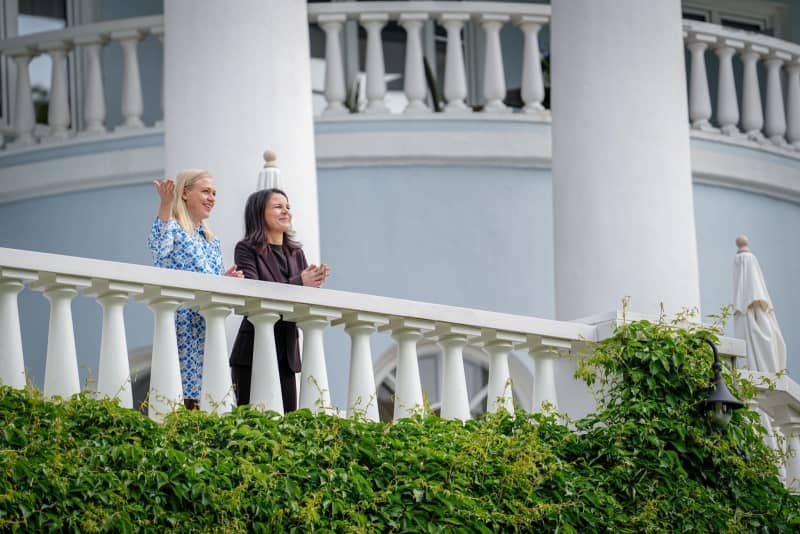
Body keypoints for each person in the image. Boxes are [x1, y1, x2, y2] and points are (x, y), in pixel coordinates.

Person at [147, 169, 243, 410]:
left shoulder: (211, 240)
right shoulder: (174, 228)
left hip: (207, 329)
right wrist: (166, 204)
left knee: (213, 399)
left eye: (214, 193)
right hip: (182, 327)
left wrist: (225, 279)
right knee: (181, 400)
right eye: (205, 191)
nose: (211, 197)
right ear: (186, 193)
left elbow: (212, 282)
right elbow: (158, 250)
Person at [229, 188, 328, 412]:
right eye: (277, 206)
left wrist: (314, 284)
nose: (286, 211)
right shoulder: (246, 249)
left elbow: (300, 298)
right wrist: (299, 282)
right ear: (258, 213)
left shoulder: (296, 252)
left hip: (287, 355)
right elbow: (254, 293)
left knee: (288, 427)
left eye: (288, 207)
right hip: (253, 351)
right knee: (252, 423)